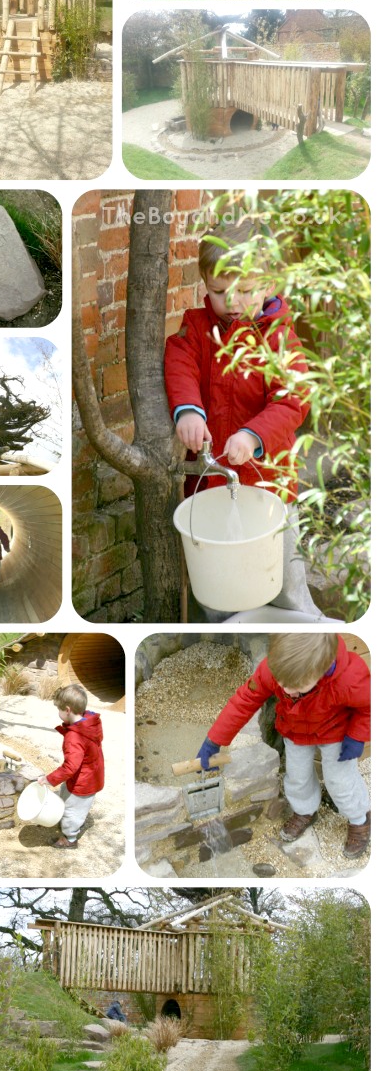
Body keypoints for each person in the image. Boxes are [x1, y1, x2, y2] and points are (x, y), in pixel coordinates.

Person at [164, 231, 322, 618]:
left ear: (268, 285)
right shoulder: (197, 329)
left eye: (246, 291)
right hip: (212, 480)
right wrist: (188, 410)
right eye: (219, 292)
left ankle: (304, 627)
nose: (232, 302)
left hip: (269, 483)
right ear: (204, 283)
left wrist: (254, 435)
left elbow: (292, 399)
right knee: (217, 581)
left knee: (283, 575)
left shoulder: (279, 338)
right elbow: (180, 362)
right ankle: (227, 632)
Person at [196, 633, 371, 858]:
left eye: (296, 686)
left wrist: (357, 737)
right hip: (295, 730)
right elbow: (243, 701)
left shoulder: (349, 678)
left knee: (340, 779)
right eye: (282, 683)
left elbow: (368, 707)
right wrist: (214, 740)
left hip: (336, 733)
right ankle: (305, 811)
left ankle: (359, 819)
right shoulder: (274, 668)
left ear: (323, 670)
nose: (286, 690)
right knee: (297, 776)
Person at [38, 684, 104, 848]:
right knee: (67, 798)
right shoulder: (90, 723)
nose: (58, 713)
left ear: (67, 710)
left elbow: (70, 767)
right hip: (89, 776)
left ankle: (70, 839)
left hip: (83, 782)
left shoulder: (74, 737)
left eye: (59, 709)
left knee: (72, 811)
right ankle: (70, 823)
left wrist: (49, 779)